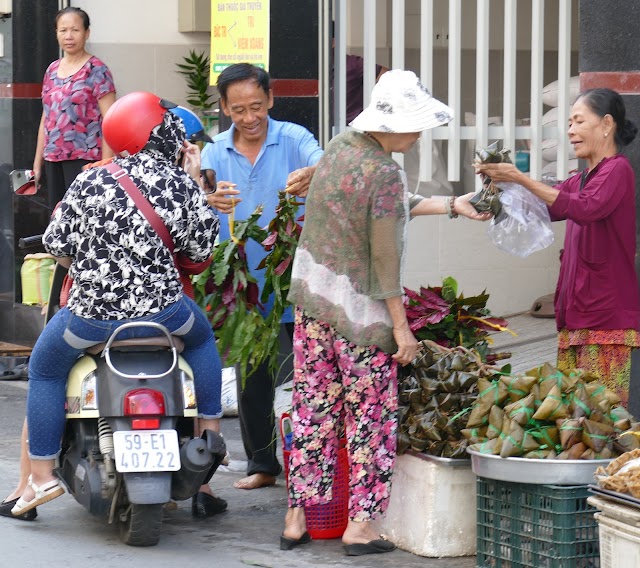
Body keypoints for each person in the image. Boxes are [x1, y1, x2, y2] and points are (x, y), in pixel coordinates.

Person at [280, 69, 490, 555]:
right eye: (414, 126)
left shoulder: (340, 148)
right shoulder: (386, 172)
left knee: (313, 411)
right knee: (370, 419)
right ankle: (360, 528)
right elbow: (384, 261)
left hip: (313, 307)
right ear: (391, 125)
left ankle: (295, 518)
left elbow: (387, 208)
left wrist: (454, 205)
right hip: (359, 319)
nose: (418, 135)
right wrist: (402, 329)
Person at [9, 91, 223, 517]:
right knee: (202, 342)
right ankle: (212, 434)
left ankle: (43, 476)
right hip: (166, 316)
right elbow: (200, 254)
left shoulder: (90, 179)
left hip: (91, 320)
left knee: (46, 369)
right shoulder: (178, 181)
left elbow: (56, 244)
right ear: (157, 132)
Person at [475, 88, 640, 407]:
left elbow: (584, 208)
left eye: (578, 121)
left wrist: (520, 179)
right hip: (576, 314)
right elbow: (543, 206)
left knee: (600, 418)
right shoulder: (580, 178)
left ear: (607, 124)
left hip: (605, 318)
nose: (570, 131)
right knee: (573, 417)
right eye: (568, 123)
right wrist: (498, 187)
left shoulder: (617, 170)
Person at [201, 63, 323, 490]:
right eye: (238, 110)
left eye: (256, 106)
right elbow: (195, 201)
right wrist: (208, 200)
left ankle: (312, 463)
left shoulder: (293, 139)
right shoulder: (214, 152)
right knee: (253, 378)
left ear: (270, 99)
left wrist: (314, 175)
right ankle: (263, 465)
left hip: (296, 278)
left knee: (309, 375)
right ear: (224, 108)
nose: (249, 117)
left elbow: (327, 169)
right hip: (243, 285)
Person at [33, 7, 116, 210]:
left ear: (86, 33)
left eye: (75, 30)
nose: (68, 36)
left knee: (83, 218)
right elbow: (47, 117)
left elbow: (111, 120)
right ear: (56, 33)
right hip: (53, 158)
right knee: (58, 219)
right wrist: (37, 162)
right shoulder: (51, 70)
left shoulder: (97, 70)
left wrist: (106, 165)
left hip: (86, 160)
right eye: (63, 30)